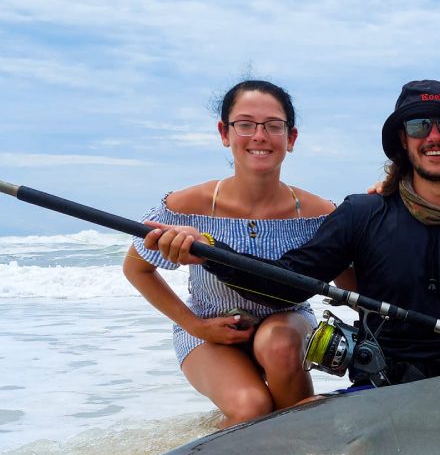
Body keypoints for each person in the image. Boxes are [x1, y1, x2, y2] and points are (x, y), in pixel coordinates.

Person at [146, 79, 440, 385]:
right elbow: (287, 284)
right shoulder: (361, 213)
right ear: (403, 138)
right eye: (420, 125)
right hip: (378, 389)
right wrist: (210, 251)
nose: (434, 137)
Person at [124, 80, 338, 428]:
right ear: (225, 132)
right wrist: (197, 326)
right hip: (208, 327)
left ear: (291, 138)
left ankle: (296, 452)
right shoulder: (184, 206)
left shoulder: (320, 213)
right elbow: (136, 269)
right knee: (251, 408)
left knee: (279, 343)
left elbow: (355, 283)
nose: (259, 136)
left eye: (273, 126)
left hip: (288, 325)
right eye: (245, 124)